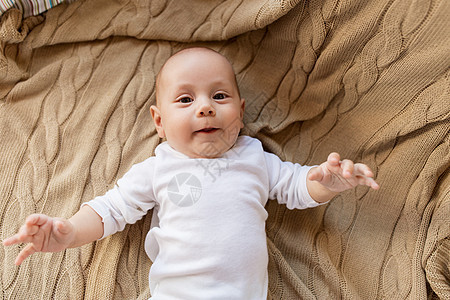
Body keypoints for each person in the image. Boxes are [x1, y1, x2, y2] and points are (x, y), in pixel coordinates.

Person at [3, 47, 379, 299]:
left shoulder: (254, 156)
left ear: (241, 112)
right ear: (159, 121)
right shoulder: (159, 167)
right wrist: (67, 232)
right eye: (186, 99)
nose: (205, 108)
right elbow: (111, 210)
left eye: (220, 96)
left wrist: (326, 183)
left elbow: (296, 186)